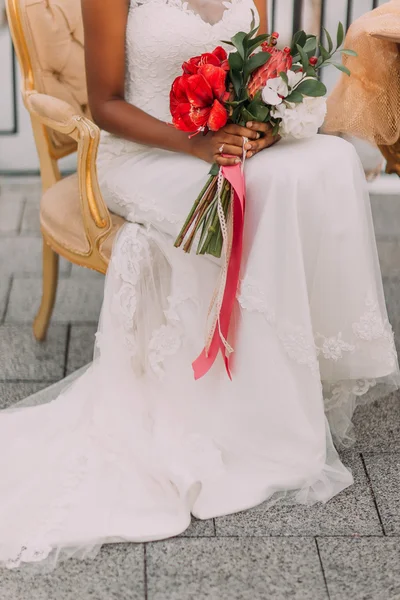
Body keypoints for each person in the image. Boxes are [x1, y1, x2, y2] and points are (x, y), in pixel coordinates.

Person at [0, 0, 398, 571]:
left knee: (328, 162)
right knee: (260, 200)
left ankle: (291, 375)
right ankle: (246, 399)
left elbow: (254, 73)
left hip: (223, 144)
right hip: (146, 152)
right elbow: (107, 106)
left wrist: (261, 126)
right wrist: (197, 145)